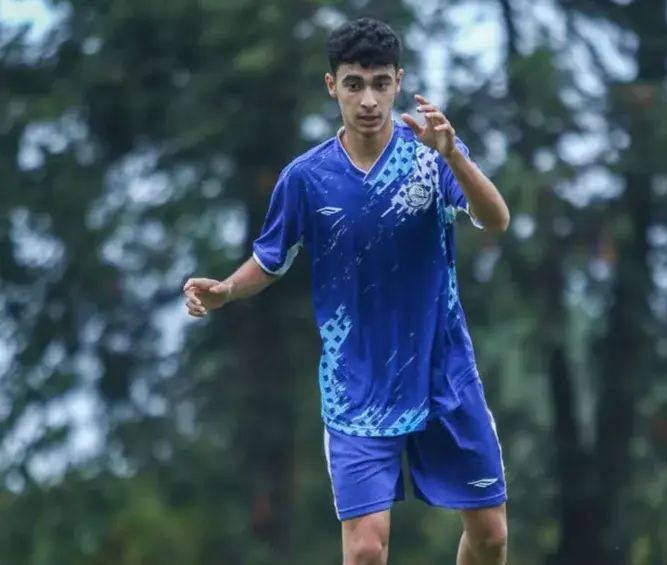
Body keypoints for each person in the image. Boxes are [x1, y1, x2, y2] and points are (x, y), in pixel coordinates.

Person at [183, 17, 511, 565]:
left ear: (398, 81)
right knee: (364, 551)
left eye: (380, 83)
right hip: (355, 385)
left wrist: (453, 154)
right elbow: (271, 259)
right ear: (332, 85)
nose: (368, 100)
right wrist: (226, 291)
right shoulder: (306, 178)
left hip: (443, 372)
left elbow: (496, 219)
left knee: (491, 536)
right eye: (355, 84)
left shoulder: (432, 155)